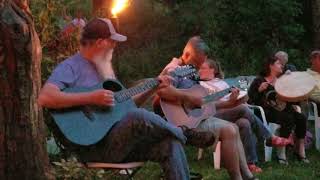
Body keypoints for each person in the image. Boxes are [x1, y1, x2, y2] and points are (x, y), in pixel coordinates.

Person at [38, 18, 216, 180]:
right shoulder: (71, 67)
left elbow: (125, 107)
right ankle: (183, 133)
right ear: (100, 43)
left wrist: (152, 87)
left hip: (118, 143)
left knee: (169, 143)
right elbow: (45, 97)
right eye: (112, 42)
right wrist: (90, 97)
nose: (115, 47)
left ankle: (179, 136)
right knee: (138, 116)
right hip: (92, 148)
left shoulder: (102, 69)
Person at [156, 36, 258, 180]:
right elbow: (161, 90)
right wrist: (190, 98)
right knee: (229, 129)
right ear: (186, 55)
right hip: (180, 123)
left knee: (234, 128)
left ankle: (246, 176)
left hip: (194, 118)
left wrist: (230, 103)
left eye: (200, 65)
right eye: (196, 63)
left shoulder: (190, 72)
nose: (197, 68)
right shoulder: (174, 69)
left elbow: (202, 104)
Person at [198, 59, 293, 172]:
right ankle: (269, 137)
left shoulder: (222, 83)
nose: (199, 71)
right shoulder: (198, 84)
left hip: (229, 113)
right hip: (211, 115)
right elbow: (202, 104)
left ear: (212, 70)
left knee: (244, 122)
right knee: (242, 109)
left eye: (202, 68)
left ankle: (250, 162)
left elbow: (232, 101)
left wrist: (239, 98)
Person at [248, 55, 309, 164]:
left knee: (301, 118)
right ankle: (281, 151)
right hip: (266, 112)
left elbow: (292, 98)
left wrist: (295, 100)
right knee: (288, 118)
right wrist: (259, 90)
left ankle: (300, 149)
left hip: (284, 110)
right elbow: (250, 100)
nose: (282, 65)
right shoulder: (259, 80)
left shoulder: (282, 80)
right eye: (279, 63)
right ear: (271, 66)